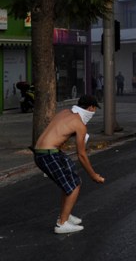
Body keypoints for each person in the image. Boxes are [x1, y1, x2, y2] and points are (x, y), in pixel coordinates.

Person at [32, 94, 105, 234]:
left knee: (72, 179)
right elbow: (82, 155)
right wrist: (94, 175)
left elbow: (59, 133)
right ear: (90, 108)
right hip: (48, 154)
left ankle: (66, 214)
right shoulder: (80, 124)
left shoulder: (64, 112)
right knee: (74, 185)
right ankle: (62, 224)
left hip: (45, 152)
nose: (94, 112)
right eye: (94, 109)